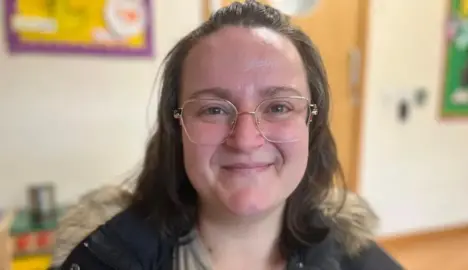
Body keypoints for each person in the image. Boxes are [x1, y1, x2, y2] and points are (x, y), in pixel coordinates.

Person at [56, 1, 403, 269]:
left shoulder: (358, 260)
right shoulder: (104, 258)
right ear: (177, 127)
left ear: (311, 126)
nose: (246, 139)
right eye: (214, 109)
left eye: (279, 107)